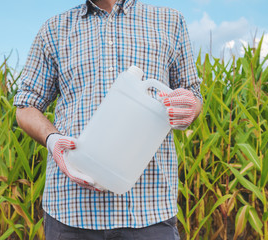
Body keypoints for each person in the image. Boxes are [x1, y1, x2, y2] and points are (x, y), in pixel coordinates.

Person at [14, 0, 202, 239]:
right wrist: (52, 140)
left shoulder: (170, 21)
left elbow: (193, 94)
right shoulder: (53, 29)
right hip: (71, 213)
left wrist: (190, 107)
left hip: (148, 211)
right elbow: (26, 106)